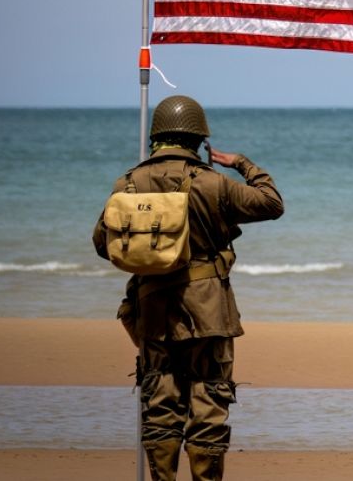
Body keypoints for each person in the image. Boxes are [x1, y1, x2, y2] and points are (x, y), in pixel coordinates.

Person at [92, 95, 284, 481]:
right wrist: (241, 162)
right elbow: (271, 203)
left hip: (153, 312)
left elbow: (102, 244)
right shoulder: (214, 183)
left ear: (156, 137)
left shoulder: (128, 183)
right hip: (209, 313)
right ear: (199, 140)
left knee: (161, 408)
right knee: (209, 406)